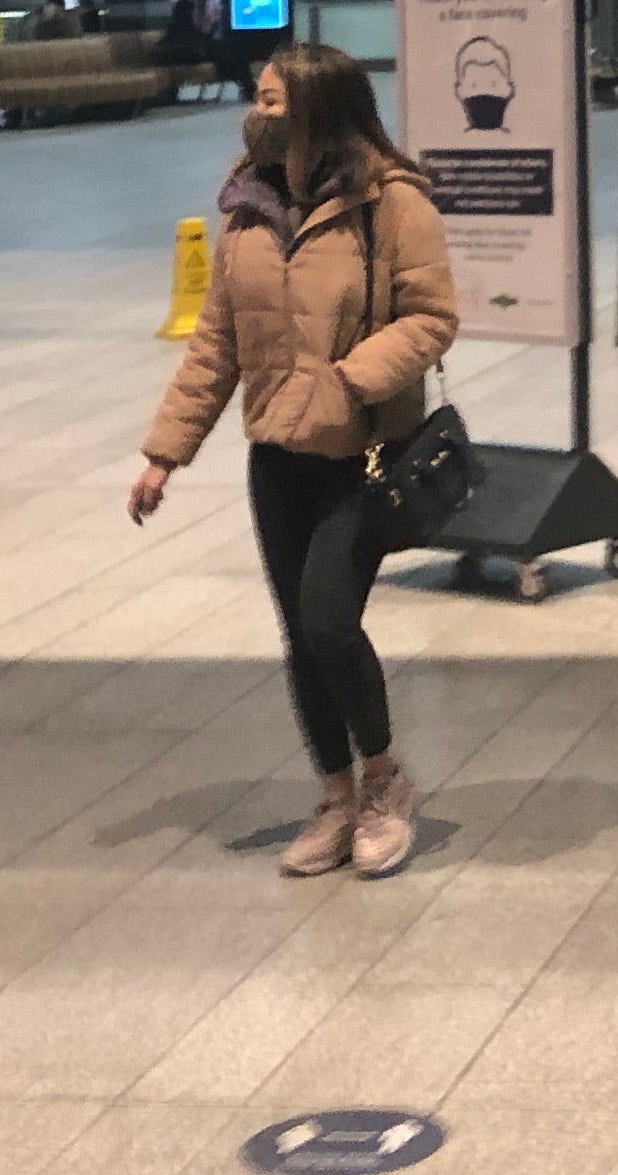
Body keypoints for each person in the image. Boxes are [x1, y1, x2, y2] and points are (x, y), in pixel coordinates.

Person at [134, 44, 459, 868]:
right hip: (275, 454)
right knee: (299, 637)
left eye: (273, 99)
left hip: (360, 452)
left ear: (319, 107)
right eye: (257, 98)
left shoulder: (391, 203)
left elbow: (431, 316)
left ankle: (385, 779)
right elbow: (217, 341)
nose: (257, 111)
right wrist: (165, 454)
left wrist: (350, 380)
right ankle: (335, 795)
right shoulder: (249, 207)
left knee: (328, 622)